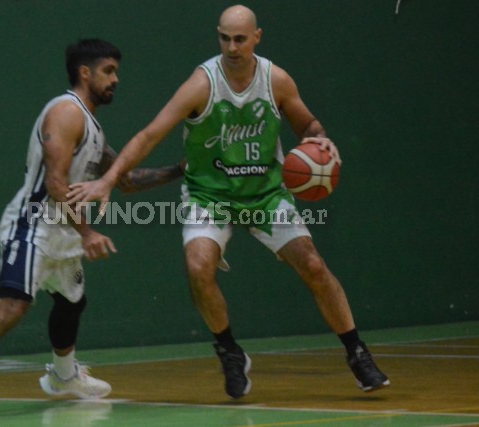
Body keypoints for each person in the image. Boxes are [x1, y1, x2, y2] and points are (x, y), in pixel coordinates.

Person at [66, 6, 390, 399]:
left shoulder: (277, 80)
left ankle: (356, 350)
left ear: (257, 37)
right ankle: (229, 351)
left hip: (266, 195)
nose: (232, 47)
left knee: (314, 265)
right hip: (210, 195)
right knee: (198, 266)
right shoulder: (202, 83)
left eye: (240, 38)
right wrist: (107, 180)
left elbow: (307, 123)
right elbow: (150, 135)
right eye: (224, 38)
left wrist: (319, 138)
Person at [0, 39, 184, 421]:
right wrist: (89, 233)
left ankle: (64, 377)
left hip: (64, 229)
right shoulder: (65, 114)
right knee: (11, 309)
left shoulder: (91, 126)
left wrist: (179, 170)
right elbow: (56, 184)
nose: (116, 80)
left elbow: (123, 180)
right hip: (34, 225)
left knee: (72, 302)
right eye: (109, 71)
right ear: (85, 72)